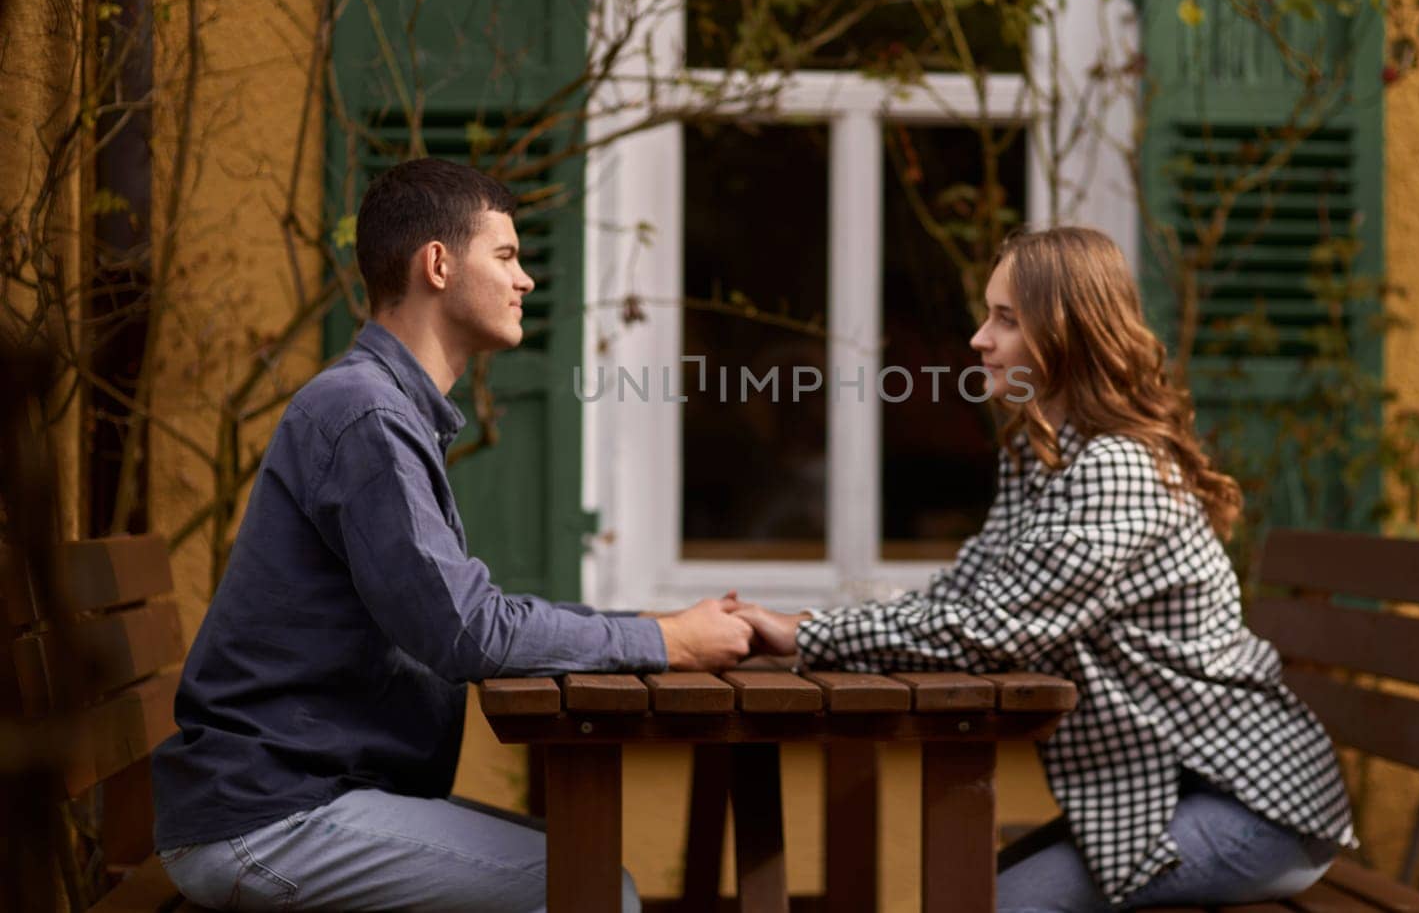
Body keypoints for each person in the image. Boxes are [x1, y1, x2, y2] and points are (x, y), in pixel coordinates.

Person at [151, 158, 754, 912]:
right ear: (437, 264)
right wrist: (668, 642)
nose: (526, 280)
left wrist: (656, 631)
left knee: (585, 867)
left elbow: (468, 612)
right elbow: (466, 631)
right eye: (505, 256)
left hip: (294, 800)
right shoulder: (366, 416)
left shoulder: (383, 410)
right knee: (592, 888)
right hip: (271, 820)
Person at [730, 226, 1355, 912]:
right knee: (967, 889)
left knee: (992, 904)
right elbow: (963, 597)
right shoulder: (1043, 456)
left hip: (1256, 806)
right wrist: (813, 627)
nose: (978, 338)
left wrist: (809, 637)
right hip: (1160, 789)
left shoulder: (1113, 469)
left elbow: (996, 633)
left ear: (1067, 335)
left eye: (1005, 319)